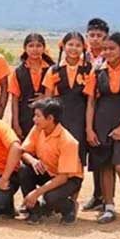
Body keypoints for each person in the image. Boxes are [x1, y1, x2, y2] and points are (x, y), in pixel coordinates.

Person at [84, 32, 120, 227]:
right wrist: (89, 129)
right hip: (101, 122)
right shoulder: (98, 70)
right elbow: (91, 102)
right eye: (105, 49)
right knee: (105, 166)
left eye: (112, 48)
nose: (108, 52)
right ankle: (109, 207)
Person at [42, 31, 91, 205]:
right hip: (59, 120)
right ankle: (57, 197)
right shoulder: (54, 70)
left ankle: (73, 200)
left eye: (78, 45)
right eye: (70, 44)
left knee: (78, 159)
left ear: (84, 48)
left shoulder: (89, 70)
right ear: (63, 46)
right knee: (58, 157)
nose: (74, 48)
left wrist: (89, 127)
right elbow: (47, 100)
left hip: (80, 119)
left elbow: (92, 100)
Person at [18, 98, 84, 225]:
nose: (34, 119)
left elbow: (63, 177)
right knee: (24, 170)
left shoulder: (68, 141)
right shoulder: (38, 129)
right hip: (48, 170)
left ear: (50, 118)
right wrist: (32, 161)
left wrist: (36, 193)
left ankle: (69, 207)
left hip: (69, 178)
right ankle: (34, 211)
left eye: (38, 116)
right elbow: (23, 151)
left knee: (50, 197)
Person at [81, 17, 109, 212]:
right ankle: (95, 194)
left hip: (101, 108)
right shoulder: (81, 55)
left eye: (99, 35)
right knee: (85, 154)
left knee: (100, 154)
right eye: (92, 35)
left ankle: (103, 196)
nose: (95, 39)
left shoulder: (110, 56)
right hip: (80, 106)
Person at [9, 33, 54, 140]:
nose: (35, 49)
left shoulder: (52, 69)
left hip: (47, 118)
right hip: (24, 117)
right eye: (31, 46)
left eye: (38, 46)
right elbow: (14, 99)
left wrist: (46, 97)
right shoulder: (18, 72)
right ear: (25, 48)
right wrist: (15, 123)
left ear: (44, 48)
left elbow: (60, 93)